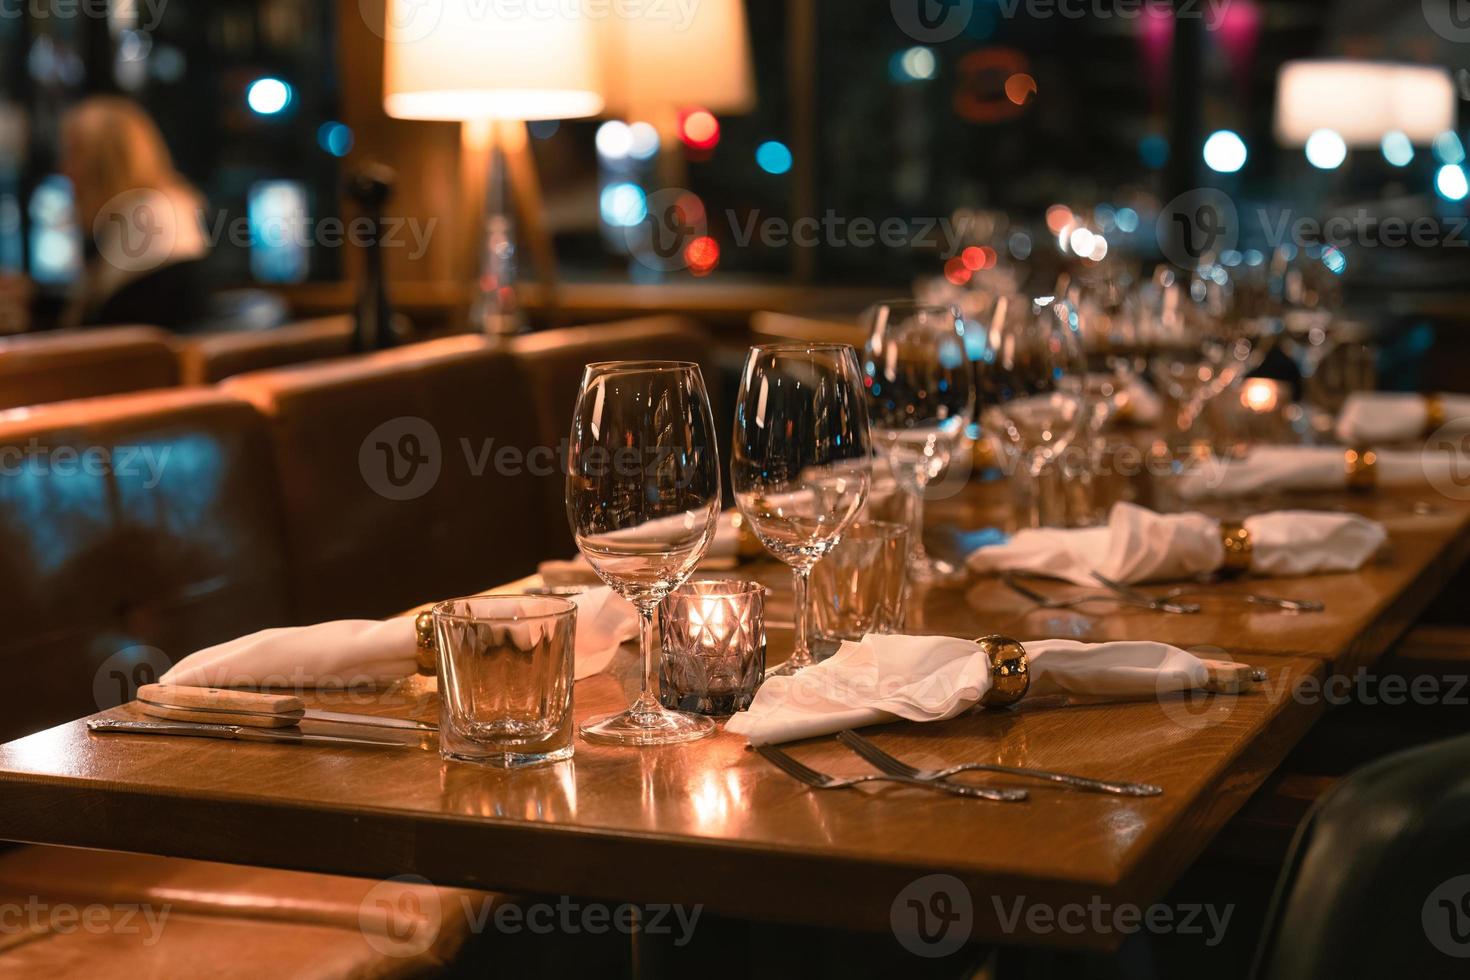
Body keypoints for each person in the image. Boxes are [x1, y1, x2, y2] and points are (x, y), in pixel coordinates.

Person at [58, 96, 211, 331]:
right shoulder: (153, 211)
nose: (65, 170)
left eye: (74, 155)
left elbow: (113, 342)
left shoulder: (148, 223)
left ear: (105, 165)